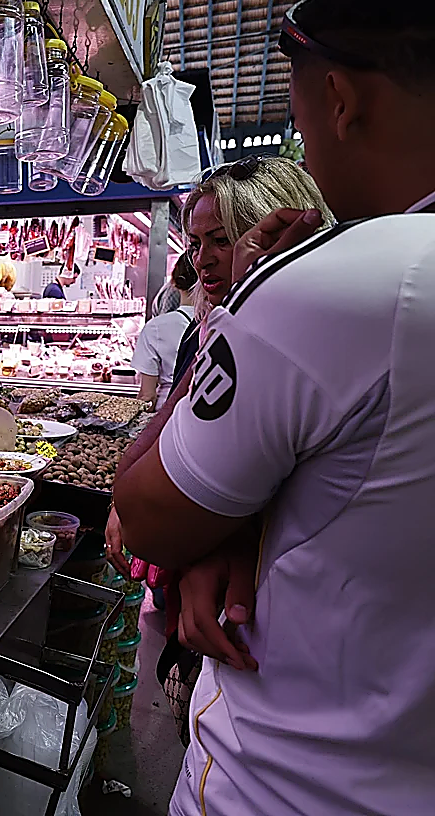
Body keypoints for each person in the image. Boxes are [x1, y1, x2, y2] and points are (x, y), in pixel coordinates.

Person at [114, 0, 435, 814]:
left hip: (284, 782)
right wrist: (242, 528)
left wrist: (233, 324)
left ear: (337, 98)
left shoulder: (340, 286)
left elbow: (146, 511)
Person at [112, 155, 334, 745]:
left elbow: (143, 504)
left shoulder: (284, 337)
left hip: (279, 646)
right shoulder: (213, 329)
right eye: (195, 240)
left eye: (225, 240)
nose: (202, 258)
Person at [132, 256, 197, 409]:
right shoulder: (219, 322)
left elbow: (147, 396)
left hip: (167, 411)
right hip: (203, 410)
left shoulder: (156, 327)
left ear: (173, 282)